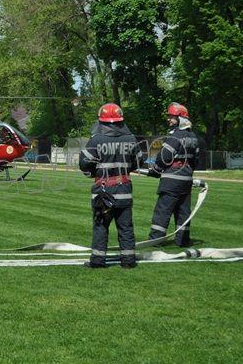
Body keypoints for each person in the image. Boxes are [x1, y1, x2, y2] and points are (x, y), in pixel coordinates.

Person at [79, 103, 142, 269]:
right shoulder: (131, 139)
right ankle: (128, 261)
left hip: (103, 192)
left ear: (101, 121)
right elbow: (139, 161)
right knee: (126, 227)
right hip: (124, 190)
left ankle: (98, 261)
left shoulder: (96, 140)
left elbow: (84, 163)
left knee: (101, 226)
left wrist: (93, 173)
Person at [147, 102, 199, 247]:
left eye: (172, 117)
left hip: (171, 181)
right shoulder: (194, 137)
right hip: (186, 180)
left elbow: (164, 157)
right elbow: (196, 160)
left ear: (180, 119)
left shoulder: (175, 136)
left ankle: (156, 240)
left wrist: (155, 170)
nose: (168, 119)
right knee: (183, 212)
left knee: (163, 211)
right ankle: (183, 240)